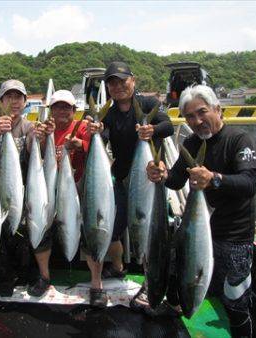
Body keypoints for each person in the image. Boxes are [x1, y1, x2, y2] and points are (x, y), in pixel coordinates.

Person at [147, 85, 256, 337]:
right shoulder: (192, 142)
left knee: (235, 303)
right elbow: (175, 180)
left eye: (202, 112)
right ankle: (175, 307)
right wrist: (160, 173)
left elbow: (249, 184)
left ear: (218, 109)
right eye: (189, 117)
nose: (197, 121)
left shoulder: (241, 140)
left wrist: (214, 178)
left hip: (234, 237)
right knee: (175, 271)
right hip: (197, 229)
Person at [87, 61, 174, 296]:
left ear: (133, 81)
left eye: (122, 81)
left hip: (149, 179)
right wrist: (95, 132)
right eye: (112, 83)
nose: (118, 86)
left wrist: (152, 130)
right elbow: (103, 135)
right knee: (112, 227)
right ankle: (117, 267)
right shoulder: (111, 113)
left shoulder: (148, 104)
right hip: (121, 178)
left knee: (151, 231)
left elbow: (169, 126)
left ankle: (150, 282)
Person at [26, 89, 91, 297]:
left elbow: (95, 148)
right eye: (57, 107)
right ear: (51, 110)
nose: (62, 111)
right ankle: (44, 276)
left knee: (86, 224)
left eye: (66, 107)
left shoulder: (82, 127)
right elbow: (34, 153)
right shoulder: (45, 129)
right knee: (40, 224)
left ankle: (95, 277)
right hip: (48, 185)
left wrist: (80, 144)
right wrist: (42, 137)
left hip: (77, 186)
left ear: (74, 110)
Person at [0, 79, 35, 297]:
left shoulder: (28, 127)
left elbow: (34, 149)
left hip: (22, 188)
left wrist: (41, 137)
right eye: (9, 97)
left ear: (25, 102)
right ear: (1, 101)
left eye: (18, 97)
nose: (14, 102)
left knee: (22, 231)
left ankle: (24, 273)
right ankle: (5, 277)